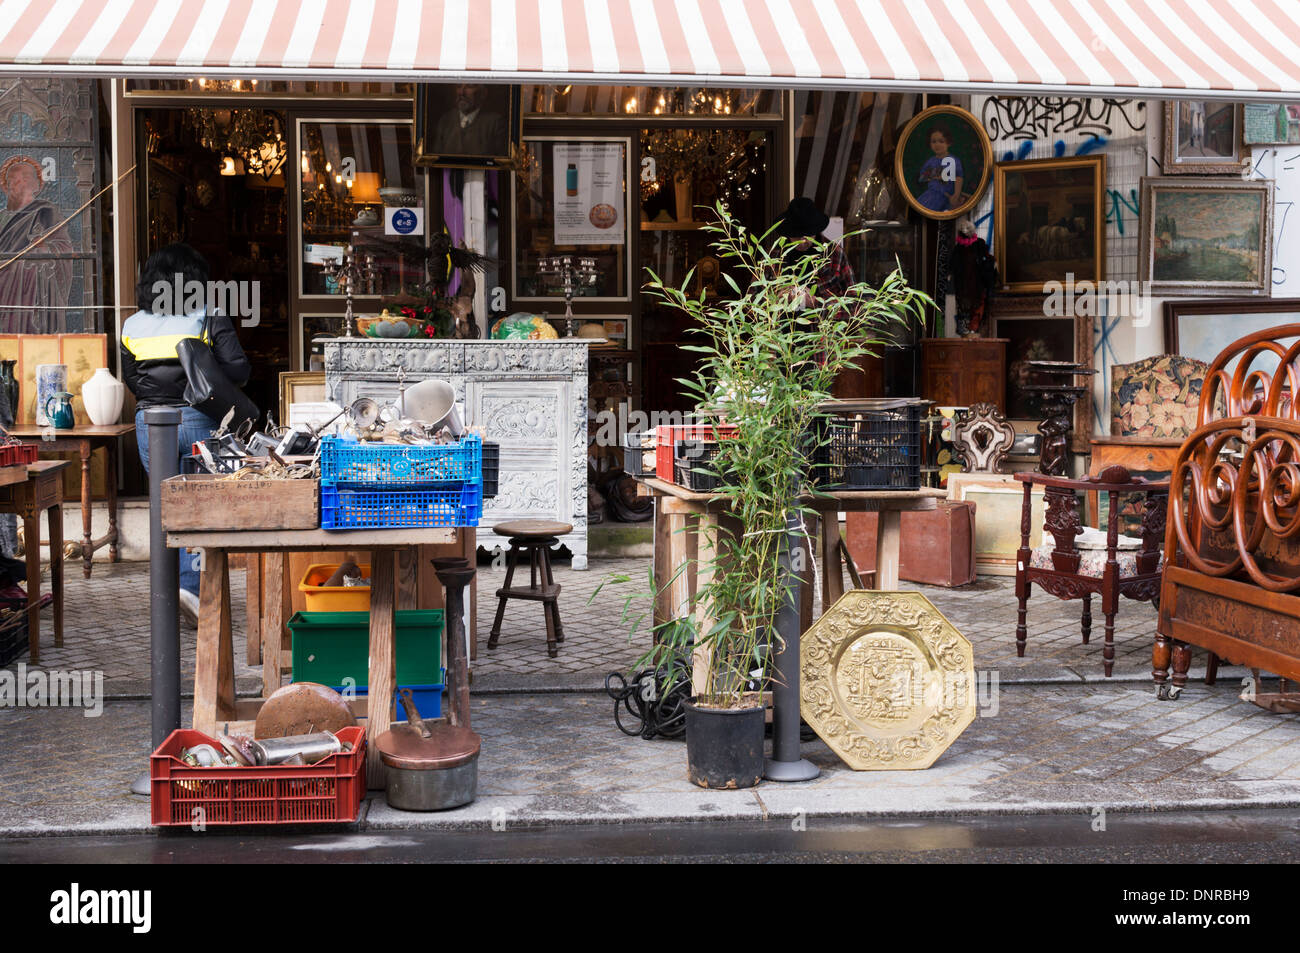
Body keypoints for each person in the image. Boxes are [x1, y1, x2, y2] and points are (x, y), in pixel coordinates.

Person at [121, 244, 250, 624]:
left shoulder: (132, 324)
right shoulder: (208, 313)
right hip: (199, 420)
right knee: (200, 509)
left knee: (167, 511)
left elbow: (132, 379)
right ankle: (192, 591)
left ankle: (168, 596)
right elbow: (239, 370)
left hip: (151, 425)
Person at [0, 155, 73, 333]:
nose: (19, 184)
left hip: (33, 293)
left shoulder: (46, 212)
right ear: (5, 186)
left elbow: (64, 249)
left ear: (36, 185)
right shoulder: (1, 216)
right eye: (13, 180)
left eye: (25, 179)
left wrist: (44, 248)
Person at [432, 84, 507, 156]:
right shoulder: (445, 120)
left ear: (483, 93)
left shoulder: (495, 123)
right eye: (459, 86)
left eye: (469, 86)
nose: (461, 92)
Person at [917, 125, 964, 213]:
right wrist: (934, 175)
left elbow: (958, 177)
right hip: (931, 194)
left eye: (941, 141)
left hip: (947, 196)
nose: (937, 145)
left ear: (948, 143)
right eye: (933, 142)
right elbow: (922, 178)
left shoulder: (953, 160)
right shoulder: (931, 161)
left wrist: (956, 195)